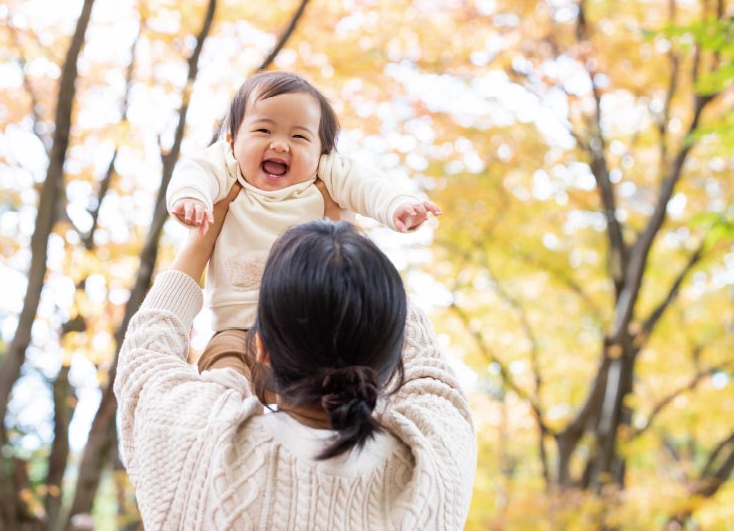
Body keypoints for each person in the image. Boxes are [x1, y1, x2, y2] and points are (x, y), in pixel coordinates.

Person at [114, 189, 477, 531]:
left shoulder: (196, 443)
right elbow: (429, 368)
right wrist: (345, 247)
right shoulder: (436, 466)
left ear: (262, 349)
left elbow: (146, 352)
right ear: (390, 354)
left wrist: (206, 235)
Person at [165, 71, 441, 388]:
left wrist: (399, 206)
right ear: (232, 141)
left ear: (322, 151)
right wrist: (191, 199)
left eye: (299, 137)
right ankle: (223, 404)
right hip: (235, 327)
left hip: (309, 328)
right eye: (263, 130)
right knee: (222, 374)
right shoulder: (227, 169)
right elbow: (195, 174)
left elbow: (369, 186)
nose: (280, 144)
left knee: (319, 385)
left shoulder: (326, 173)